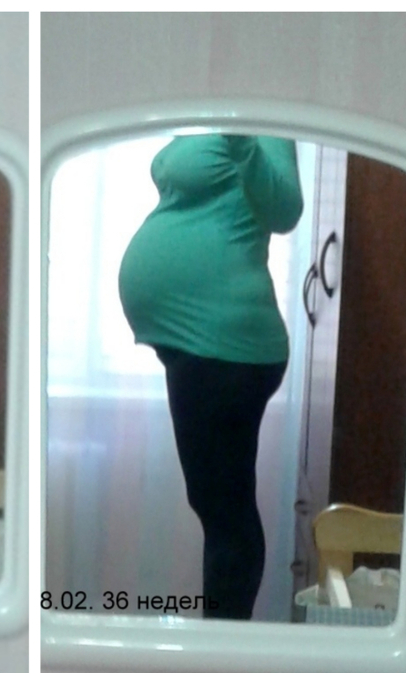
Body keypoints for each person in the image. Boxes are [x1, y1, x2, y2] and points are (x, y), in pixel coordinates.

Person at [118, 133, 303, 619]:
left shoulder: (261, 120)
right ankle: (222, 637)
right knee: (216, 506)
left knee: (226, 513)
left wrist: (243, 144)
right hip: (198, 345)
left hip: (226, 343)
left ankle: (225, 643)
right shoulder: (205, 116)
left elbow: (285, 210)